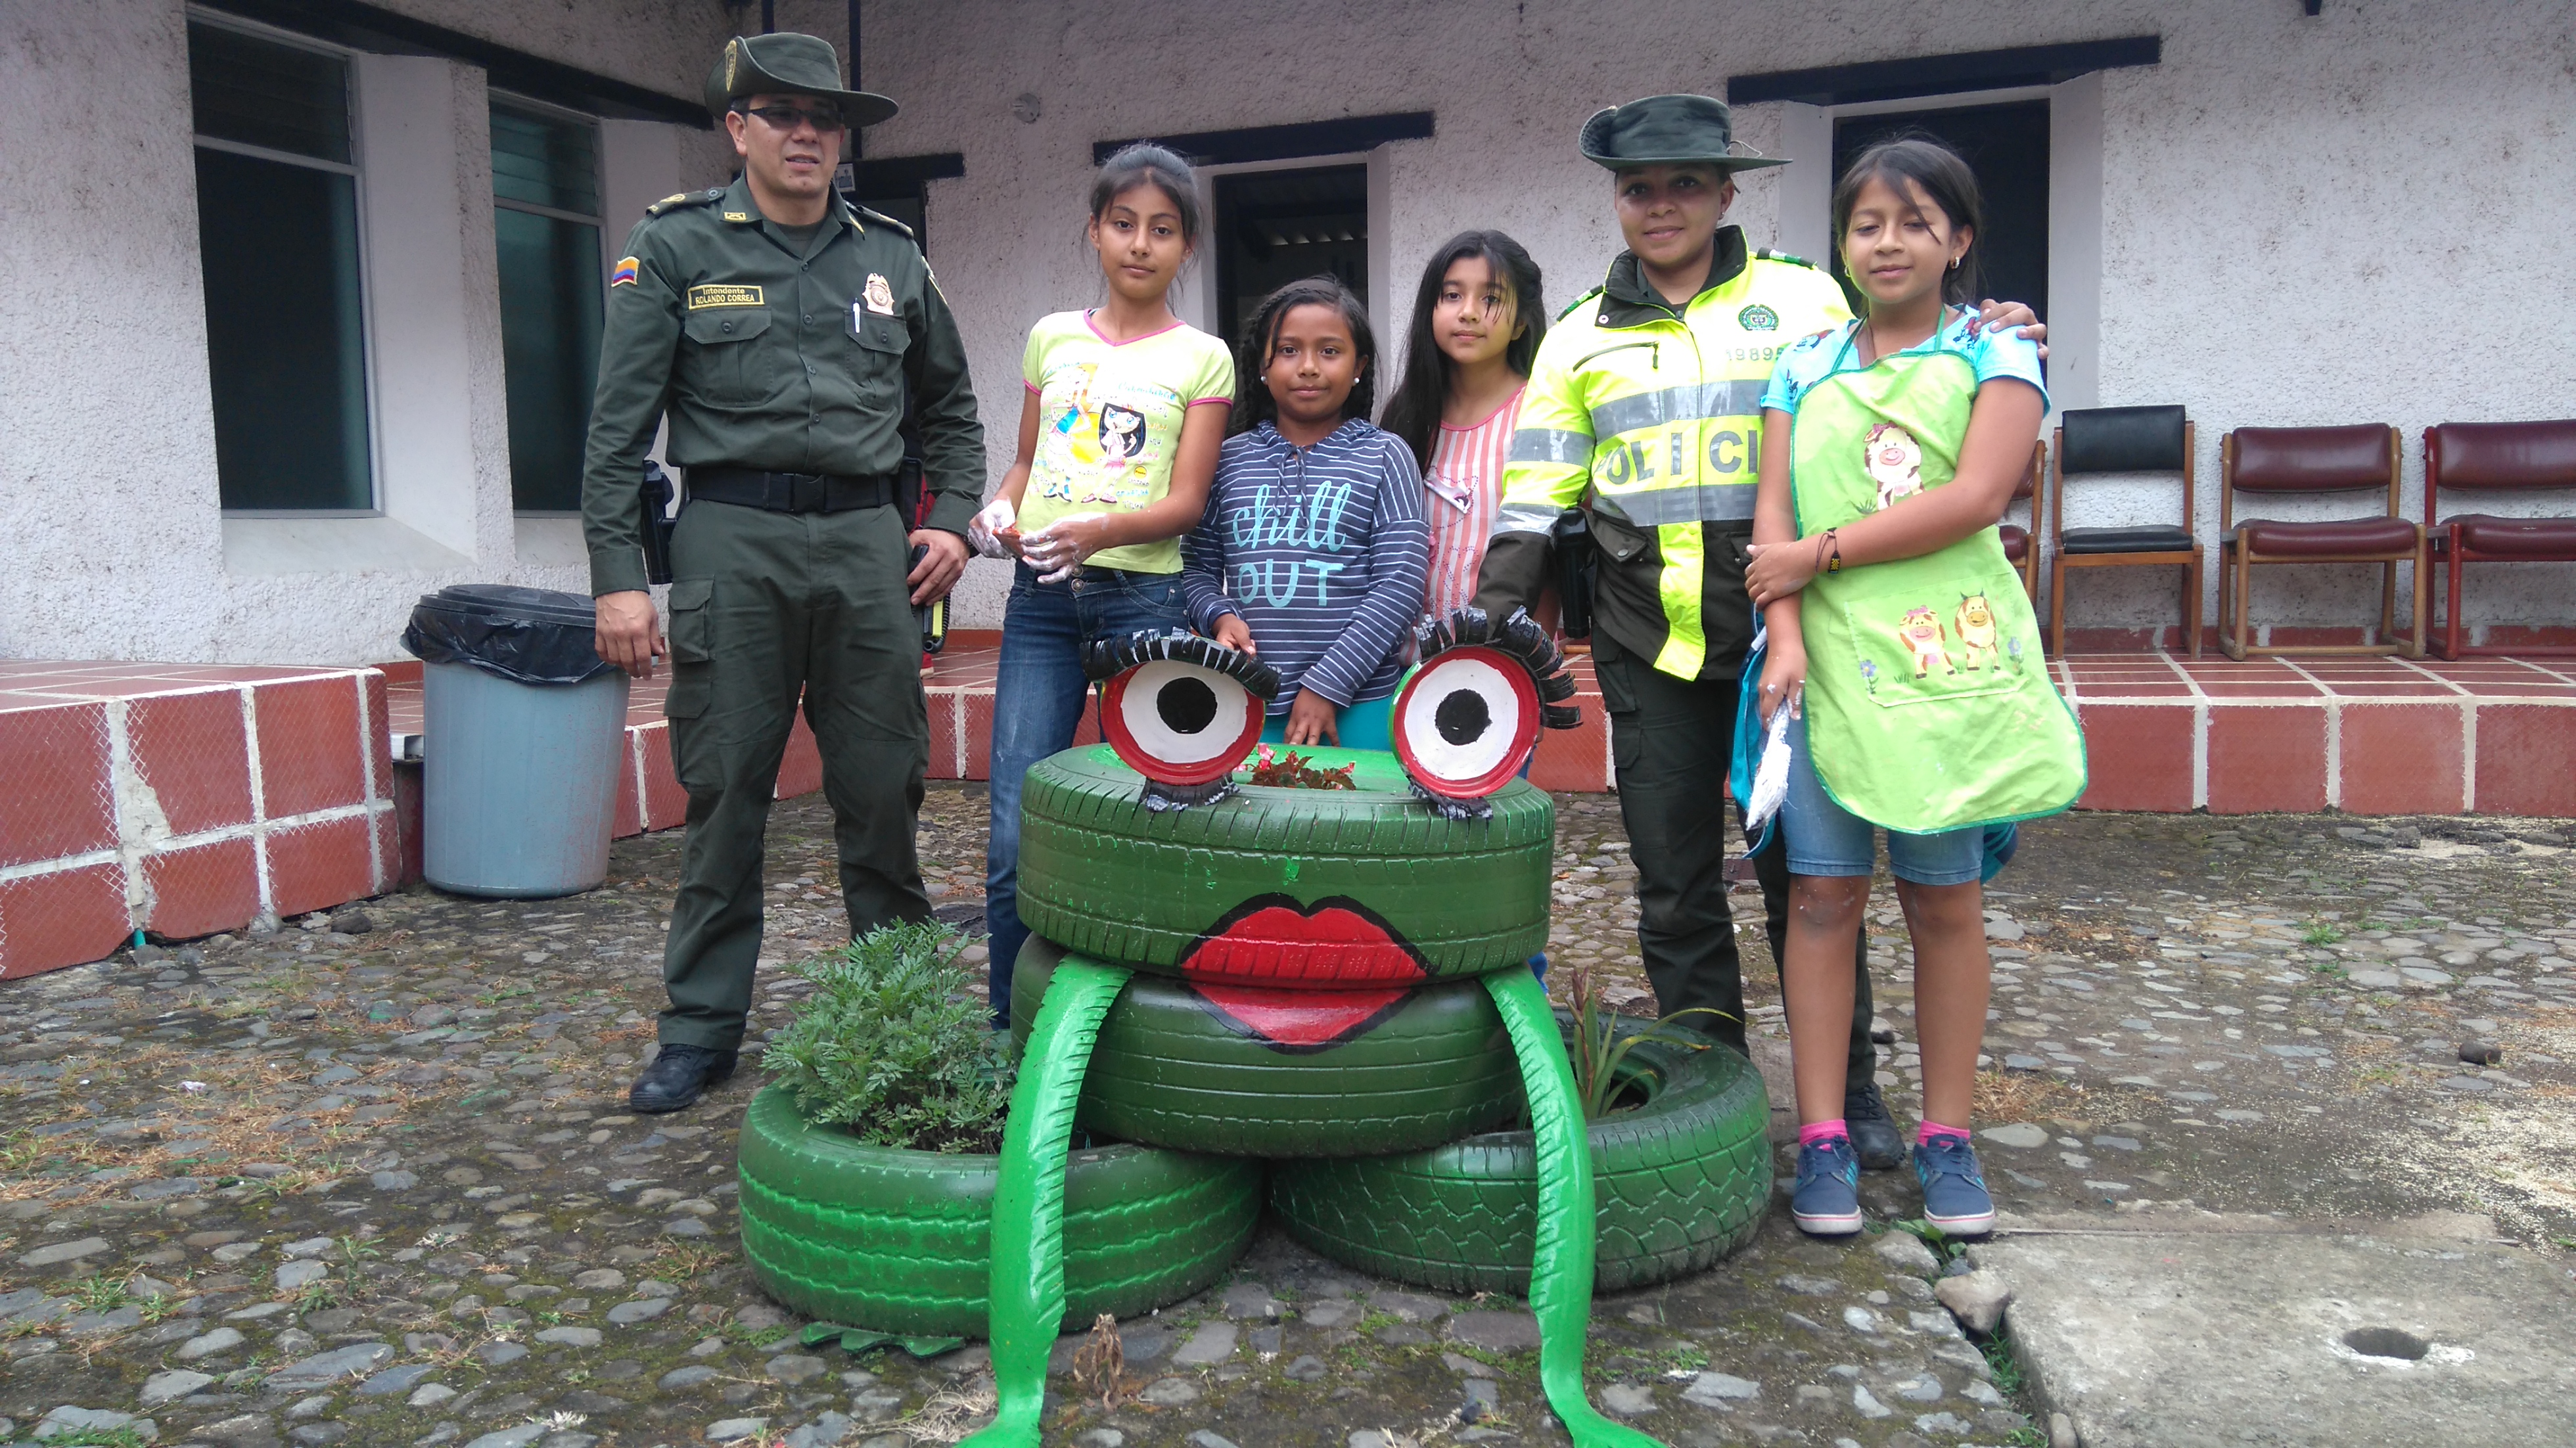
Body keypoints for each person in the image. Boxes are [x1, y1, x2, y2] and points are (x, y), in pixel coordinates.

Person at [1471, 95, 2045, 1171]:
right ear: (1619, 201)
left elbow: (1900, 363)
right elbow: (1534, 495)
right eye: (1641, 187)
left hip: (1799, 640)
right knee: (1675, 885)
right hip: (1655, 650)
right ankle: (1713, 1094)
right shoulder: (1579, 332)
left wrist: (1987, 329)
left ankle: (1853, 1097)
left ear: (1725, 191)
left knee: (1810, 877)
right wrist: (1493, 631)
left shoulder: (1801, 296)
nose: (1662, 204)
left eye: (1686, 182)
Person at [581, 34, 984, 1113]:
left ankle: (904, 1015)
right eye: (782, 113)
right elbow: (618, 432)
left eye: (825, 117)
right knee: (724, 799)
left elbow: (951, 408)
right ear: (739, 128)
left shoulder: (893, 257)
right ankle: (703, 1029)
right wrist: (619, 576)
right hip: (731, 540)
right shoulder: (673, 247)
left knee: (882, 795)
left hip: (868, 549)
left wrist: (951, 523)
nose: (807, 133)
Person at [1746, 136, 2083, 1235]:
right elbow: (1772, 527)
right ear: (1843, 242)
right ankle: (1825, 1137)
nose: (1887, 242)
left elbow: (1980, 494)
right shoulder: (1800, 365)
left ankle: (1947, 1134)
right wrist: (1785, 629)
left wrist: (1815, 560)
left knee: (1945, 899)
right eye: (1866, 223)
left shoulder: (1998, 355)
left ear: (1960, 240)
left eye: (1914, 221)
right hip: (1828, 666)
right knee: (1820, 895)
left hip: (1949, 665)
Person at [973, 145, 1235, 1021]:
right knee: (1018, 826)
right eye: (1123, 223)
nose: (1139, 243)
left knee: (1153, 820)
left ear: (1186, 247)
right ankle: (1015, 1030)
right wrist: (998, 514)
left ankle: (1150, 1020)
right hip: (1042, 603)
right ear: (1095, 230)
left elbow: (1189, 502)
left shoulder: (1204, 357)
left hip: (1146, 605)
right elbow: (1021, 463)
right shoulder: (1052, 337)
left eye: (1162, 229)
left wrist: (1098, 534)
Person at [1182, 277, 1428, 748]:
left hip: (1359, 705)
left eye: (1330, 352)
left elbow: (1399, 587)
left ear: (1360, 366)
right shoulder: (1225, 460)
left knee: (1356, 821)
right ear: (1262, 364)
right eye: (1290, 350)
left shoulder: (1386, 457)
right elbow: (1196, 569)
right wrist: (1218, 617)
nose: (1309, 367)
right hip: (1246, 702)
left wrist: (1328, 685)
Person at [1378, 232, 1546, 625]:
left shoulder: (1541, 411)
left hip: (1505, 661)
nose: (1468, 311)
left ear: (1521, 322)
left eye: (1491, 298)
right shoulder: (1406, 415)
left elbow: (1549, 551)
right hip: (1403, 656)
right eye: (1452, 295)